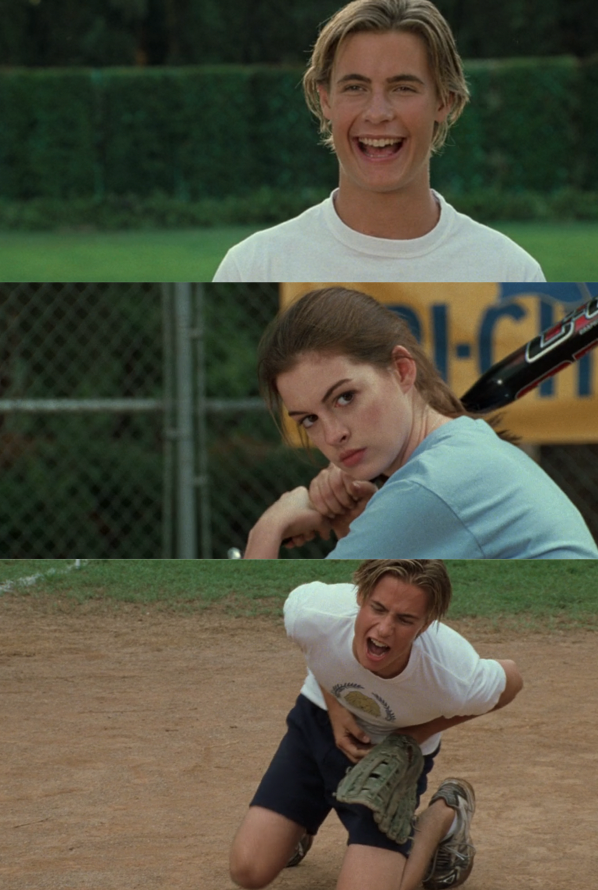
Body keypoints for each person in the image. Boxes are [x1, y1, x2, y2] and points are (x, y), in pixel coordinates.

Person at [230, 559, 524, 890]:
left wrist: (415, 734)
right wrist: (336, 707)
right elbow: (318, 649)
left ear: (425, 625)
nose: (384, 629)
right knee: (248, 872)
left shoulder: (449, 673)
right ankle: (295, 827)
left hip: (389, 762)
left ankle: (443, 815)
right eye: (378, 608)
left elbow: (511, 680)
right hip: (317, 723)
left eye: (405, 619)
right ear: (361, 597)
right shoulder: (313, 613)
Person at [243, 287, 598, 558]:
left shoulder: (427, 487)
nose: (334, 435)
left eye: (345, 397)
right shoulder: (460, 449)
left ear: (401, 370)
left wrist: (268, 527)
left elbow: (286, 630)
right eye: (309, 419)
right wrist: (358, 526)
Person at [213, 0, 545, 283]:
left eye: (403, 88)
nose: (377, 113)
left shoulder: (510, 270)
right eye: (355, 88)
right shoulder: (253, 266)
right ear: (326, 100)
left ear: (445, 101)